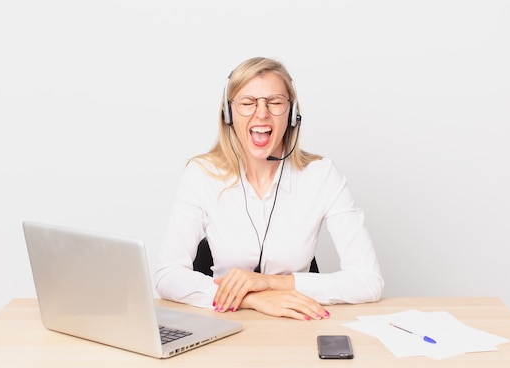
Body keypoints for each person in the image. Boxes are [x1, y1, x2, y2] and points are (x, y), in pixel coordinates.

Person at [153, 57, 383, 321]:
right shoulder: (202, 174)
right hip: (223, 323)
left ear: (292, 114)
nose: (261, 113)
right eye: (248, 103)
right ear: (228, 114)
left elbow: (368, 281)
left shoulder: (321, 175)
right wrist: (255, 299)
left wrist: (270, 284)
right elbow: (167, 276)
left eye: (274, 102)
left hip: (298, 326)